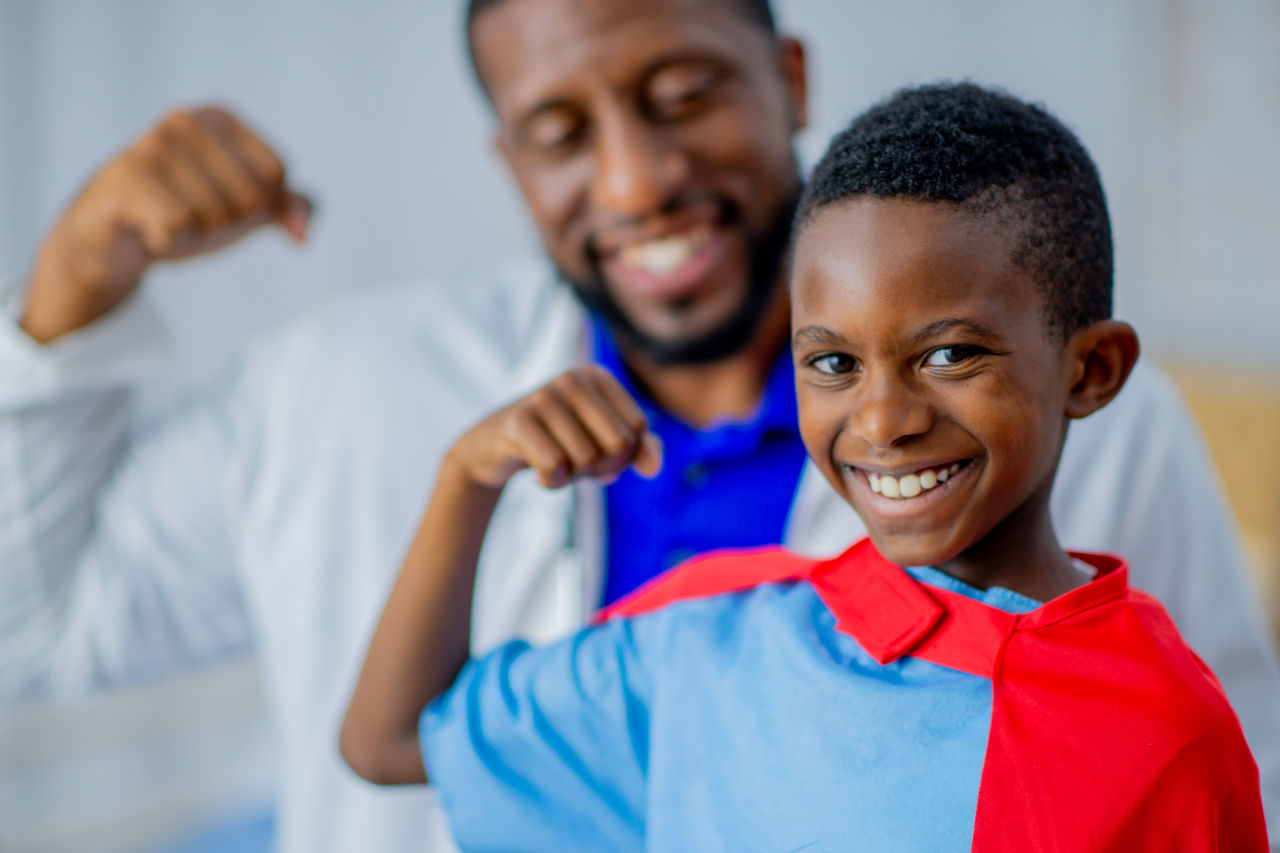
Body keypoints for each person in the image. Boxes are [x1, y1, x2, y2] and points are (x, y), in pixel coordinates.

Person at [1, 0, 1277, 849]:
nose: (633, 179)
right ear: (507, 158)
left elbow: (1216, 771)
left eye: (678, 94)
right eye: (559, 131)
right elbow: (34, 632)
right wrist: (72, 293)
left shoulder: (1118, 442)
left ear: (785, 81)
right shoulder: (343, 392)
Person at [340, 82, 1268, 850]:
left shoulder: (1169, 735)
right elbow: (389, 742)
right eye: (832, 362)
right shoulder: (714, 644)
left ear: (1091, 369)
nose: (883, 419)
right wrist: (468, 477)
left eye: (949, 355)